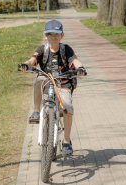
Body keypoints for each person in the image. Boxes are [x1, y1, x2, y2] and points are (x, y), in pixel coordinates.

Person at [19, 19, 86, 156]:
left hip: (63, 83)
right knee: (39, 80)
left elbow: (75, 61)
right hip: (47, 81)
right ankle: (37, 111)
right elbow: (32, 60)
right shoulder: (42, 49)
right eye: (50, 34)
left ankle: (66, 141)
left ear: (62, 35)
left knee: (67, 108)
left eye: (57, 34)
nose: (53, 37)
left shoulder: (66, 49)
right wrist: (26, 65)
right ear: (45, 36)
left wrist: (80, 68)